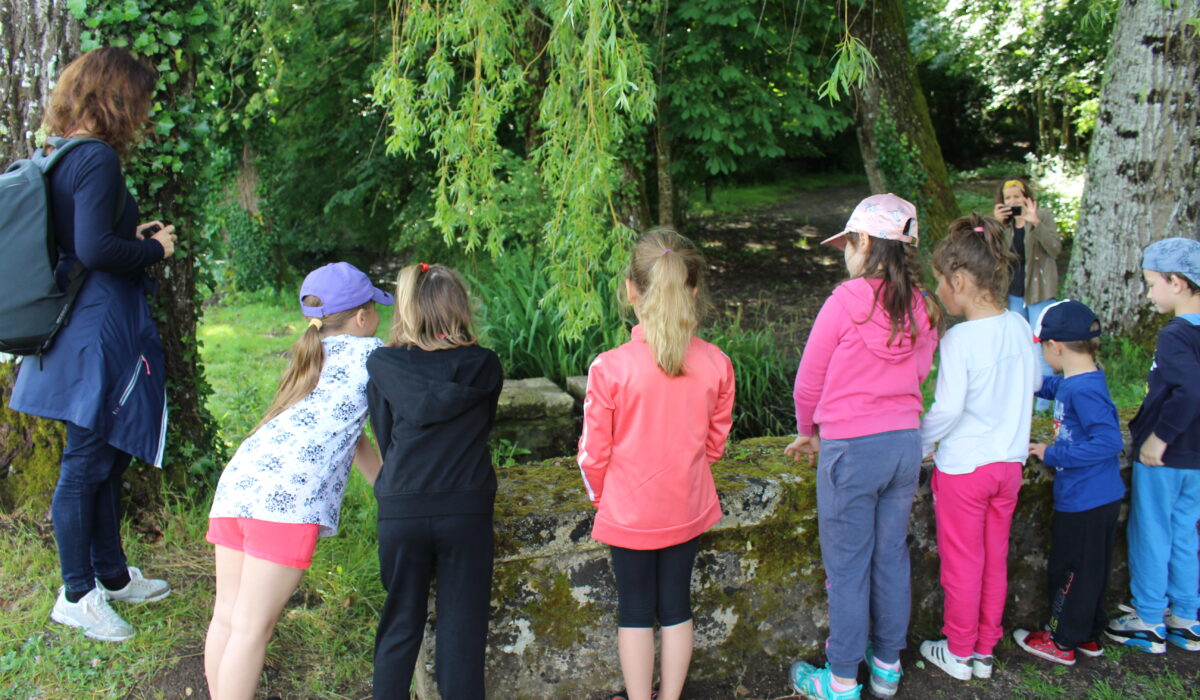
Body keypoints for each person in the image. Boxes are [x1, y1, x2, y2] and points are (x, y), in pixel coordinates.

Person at [8, 47, 179, 642]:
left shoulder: (60, 153)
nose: (146, 112)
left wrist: (129, 233)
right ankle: (77, 594)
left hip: (79, 323)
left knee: (107, 452)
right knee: (86, 461)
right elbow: (95, 250)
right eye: (142, 99)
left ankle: (111, 573)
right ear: (118, 97)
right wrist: (154, 249)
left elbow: (87, 237)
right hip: (97, 330)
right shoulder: (98, 157)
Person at [204, 262, 391, 699]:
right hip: (285, 502)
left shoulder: (309, 356)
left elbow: (352, 436)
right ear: (362, 316)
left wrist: (385, 489)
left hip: (239, 485)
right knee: (252, 628)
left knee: (228, 616)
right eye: (375, 310)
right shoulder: (373, 355)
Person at [786, 195, 940, 700]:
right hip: (903, 445)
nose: (845, 254)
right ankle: (888, 667)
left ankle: (841, 680)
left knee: (848, 568)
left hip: (851, 449)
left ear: (866, 242)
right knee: (890, 557)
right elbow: (920, 372)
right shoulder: (923, 305)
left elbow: (808, 382)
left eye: (848, 244)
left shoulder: (845, 300)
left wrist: (808, 430)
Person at [577, 229, 735, 700]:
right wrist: (688, 475)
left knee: (634, 611)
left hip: (629, 511)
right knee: (677, 607)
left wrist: (603, 499)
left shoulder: (609, 367)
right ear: (693, 289)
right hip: (687, 504)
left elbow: (593, 454)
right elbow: (715, 443)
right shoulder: (717, 363)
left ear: (631, 289)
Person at [367, 263, 504, 699]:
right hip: (466, 508)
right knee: (462, 631)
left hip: (403, 506)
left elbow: (385, 439)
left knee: (400, 624)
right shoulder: (484, 366)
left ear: (406, 309)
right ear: (460, 308)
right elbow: (483, 427)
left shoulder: (383, 365)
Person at [914, 214, 1038, 683]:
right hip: (1008, 466)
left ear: (960, 282)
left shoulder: (960, 339)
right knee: (993, 560)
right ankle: (985, 648)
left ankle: (958, 650)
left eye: (939, 282)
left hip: (965, 470)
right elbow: (1034, 382)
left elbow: (947, 409)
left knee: (963, 564)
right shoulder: (1020, 326)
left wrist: (920, 441)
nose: (937, 291)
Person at [1012, 300, 1125, 666]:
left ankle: (1061, 641)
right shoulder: (1079, 380)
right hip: (1095, 497)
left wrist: (1053, 453)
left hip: (1086, 499)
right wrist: (1025, 383)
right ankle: (1088, 633)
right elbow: (1053, 387)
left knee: (1070, 571)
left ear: (1055, 346)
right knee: (1091, 570)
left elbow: (1109, 442)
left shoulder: (1084, 390)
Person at [1106, 238, 1200, 654]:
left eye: (1150, 284)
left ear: (1176, 282)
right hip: (1195, 457)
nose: (1148, 294)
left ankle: (1147, 618)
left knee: (1152, 532)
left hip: (1165, 456)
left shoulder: (1176, 334)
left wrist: (1158, 439)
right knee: (1184, 533)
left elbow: (1191, 391)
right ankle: (1186, 616)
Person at [993, 176, 1060, 411]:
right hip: (1013, 294)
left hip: (1039, 292)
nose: (1013, 201)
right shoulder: (1005, 225)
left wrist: (1036, 224)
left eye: (1017, 196)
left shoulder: (1042, 216)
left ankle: (1044, 404)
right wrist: (997, 225)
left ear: (1026, 197)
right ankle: (1022, 400)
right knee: (1018, 347)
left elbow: (1055, 248)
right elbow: (992, 254)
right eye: (1008, 198)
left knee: (1041, 347)